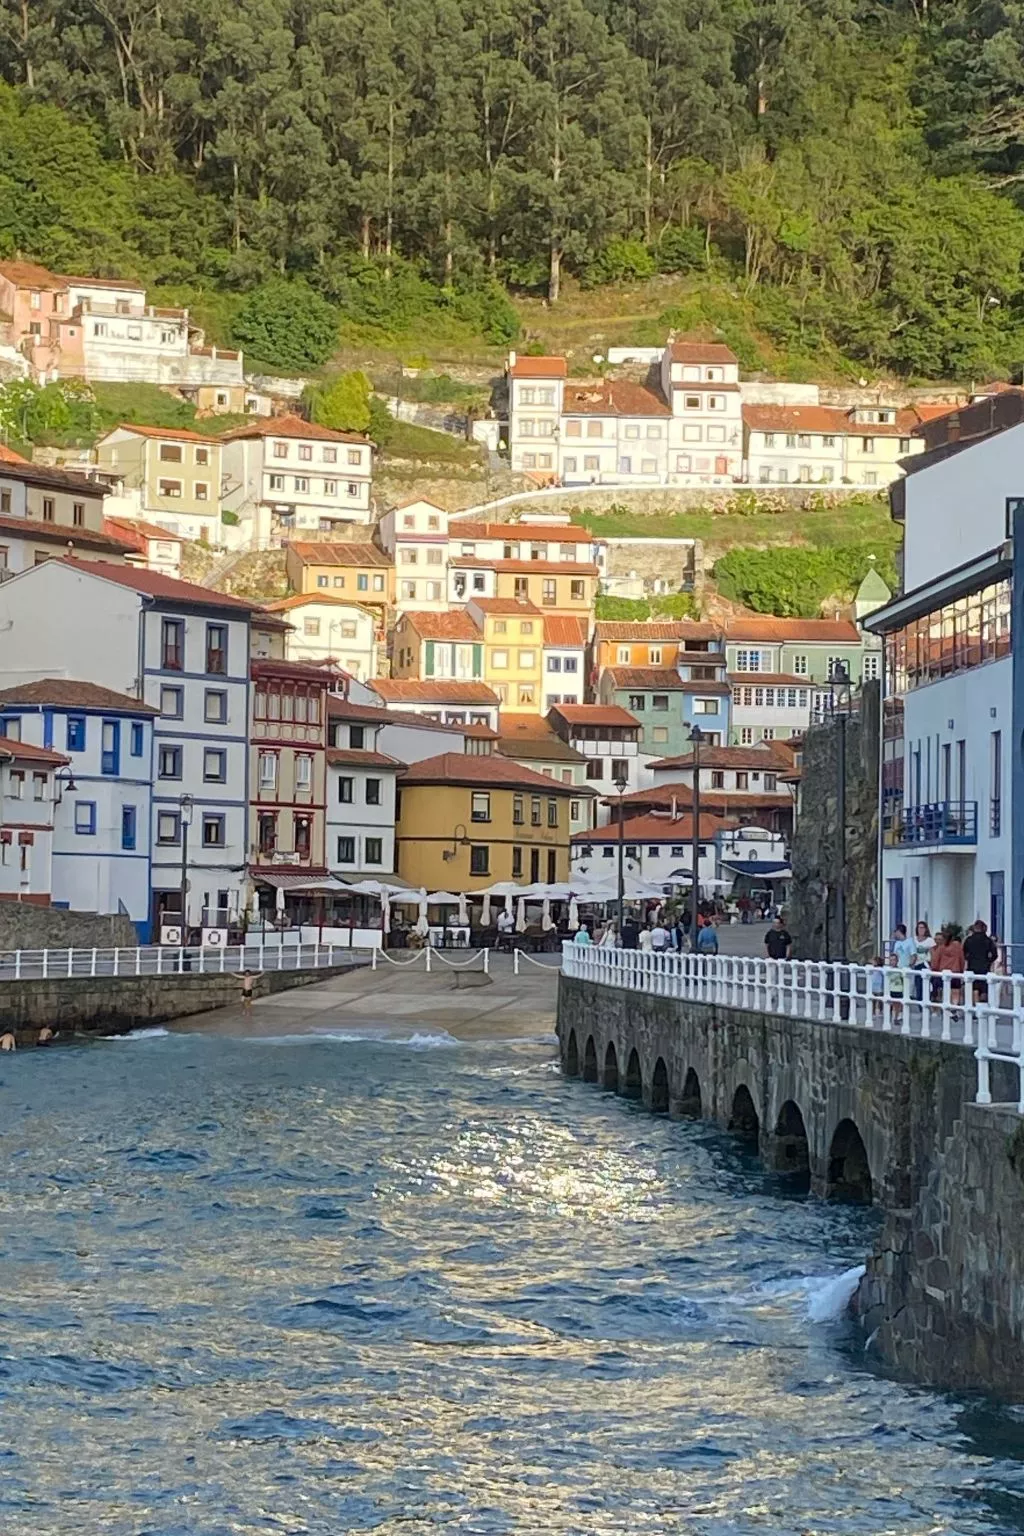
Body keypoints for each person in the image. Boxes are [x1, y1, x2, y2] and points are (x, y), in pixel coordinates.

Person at [963, 919, 998, 1002]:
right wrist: (989, 960)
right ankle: (982, 1004)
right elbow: (995, 954)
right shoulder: (988, 940)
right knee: (983, 988)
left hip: (972, 966)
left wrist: (969, 959)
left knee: (975, 988)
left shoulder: (969, 940)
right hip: (984, 966)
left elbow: (964, 952)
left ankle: (976, 1005)